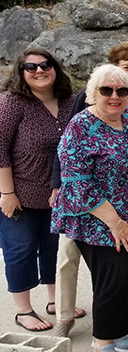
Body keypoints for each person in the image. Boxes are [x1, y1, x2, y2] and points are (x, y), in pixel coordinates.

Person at [51, 64, 128, 352]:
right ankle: (101, 347)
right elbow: (77, 181)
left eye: (122, 90)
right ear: (93, 93)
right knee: (116, 275)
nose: (115, 96)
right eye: (107, 90)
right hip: (99, 219)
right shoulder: (80, 126)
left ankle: (116, 329)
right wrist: (115, 222)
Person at [0, 48, 76, 332]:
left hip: (61, 197)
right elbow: (0, 151)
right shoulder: (11, 103)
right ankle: (23, 310)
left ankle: (56, 301)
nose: (39, 70)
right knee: (19, 251)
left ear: (55, 67)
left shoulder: (71, 101)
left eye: (45, 65)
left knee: (55, 249)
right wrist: (7, 194)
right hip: (21, 196)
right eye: (30, 67)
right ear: (21, 73)